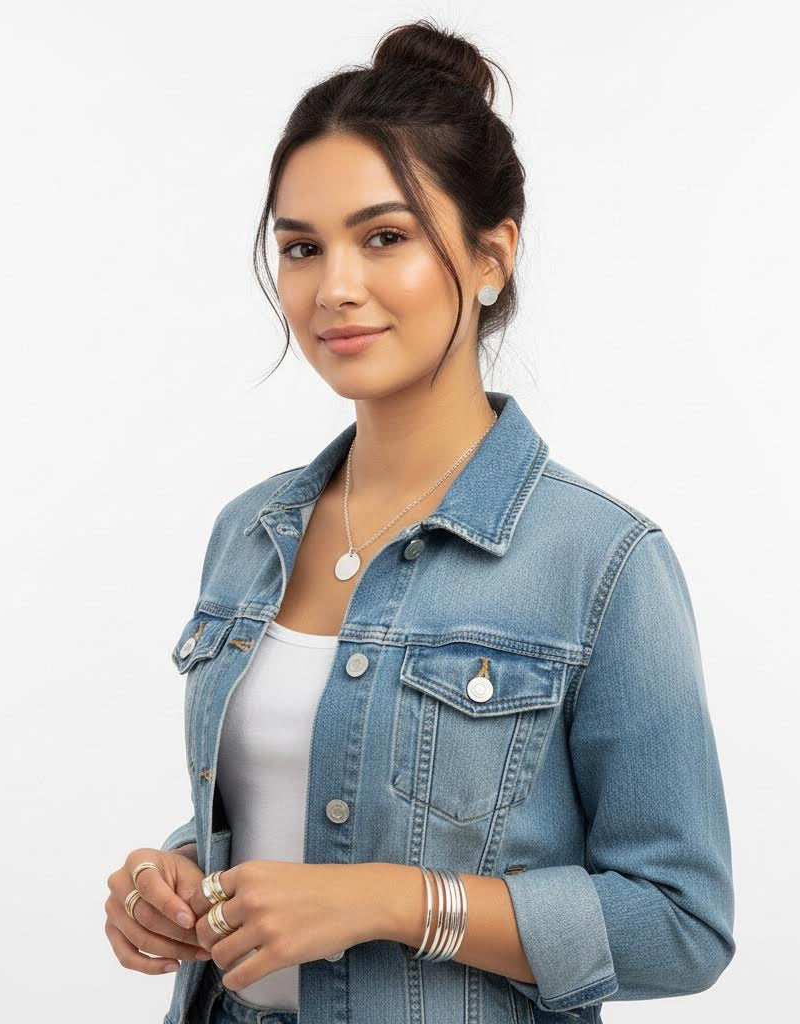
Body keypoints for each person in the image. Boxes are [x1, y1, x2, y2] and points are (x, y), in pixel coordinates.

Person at [103, 18, 735, 1024]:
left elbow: (681, 921)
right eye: (301, 247)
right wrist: (175, 878)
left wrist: (397, 902)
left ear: (492, 257)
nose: (333, 286)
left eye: (383, 236)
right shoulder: (248, 532)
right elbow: (285, 804)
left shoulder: (600, 561)